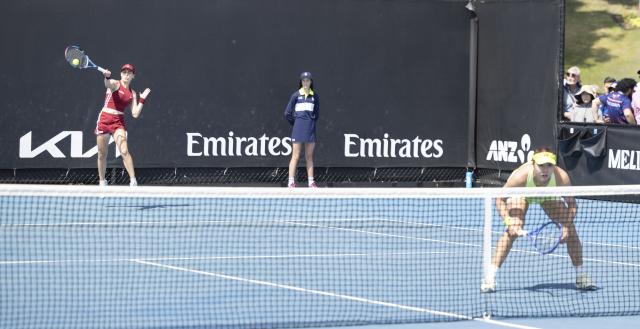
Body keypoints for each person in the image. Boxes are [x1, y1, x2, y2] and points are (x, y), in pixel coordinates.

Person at [480, 148, 596, 293]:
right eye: (541, 165)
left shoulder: (561, 177)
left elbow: (572, 204)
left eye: (549, 165)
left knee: (571, 230)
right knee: (512, 231)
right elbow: (499, 200)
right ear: (533, 164)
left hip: (547, 196)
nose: (545, 170)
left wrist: (565, 226)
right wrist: (509, 221)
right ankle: (490, 277)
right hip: (522, 194)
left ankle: (581, 276)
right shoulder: (520, 177)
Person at [95, 64, 151, 186]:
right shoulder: (115, 83)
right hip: (104, 119)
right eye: (124, 72)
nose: (126, 75)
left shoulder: (132, 93)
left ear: (133, 76)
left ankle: (133, 181)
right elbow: (108, 84)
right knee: (101, 154)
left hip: (118, 122)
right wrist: (107, 77)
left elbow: (135, 113)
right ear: (121, 74)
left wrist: (142, 100)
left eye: (129, 73)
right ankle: (102, 181)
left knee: (124, 151)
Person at [284, 71, 319, 188]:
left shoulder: (315, 96)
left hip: (310, 129)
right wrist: (296, 123)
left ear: (311, 82)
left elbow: (316, 114)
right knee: (296, 155)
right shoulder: (295, 96)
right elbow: (287, 113)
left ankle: (311, 182)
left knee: (309, 156)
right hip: (298, 129)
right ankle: (290, 182)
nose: (305, 82)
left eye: (307, 80)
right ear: (301, 82)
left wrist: (309, 122)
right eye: (303, 80)